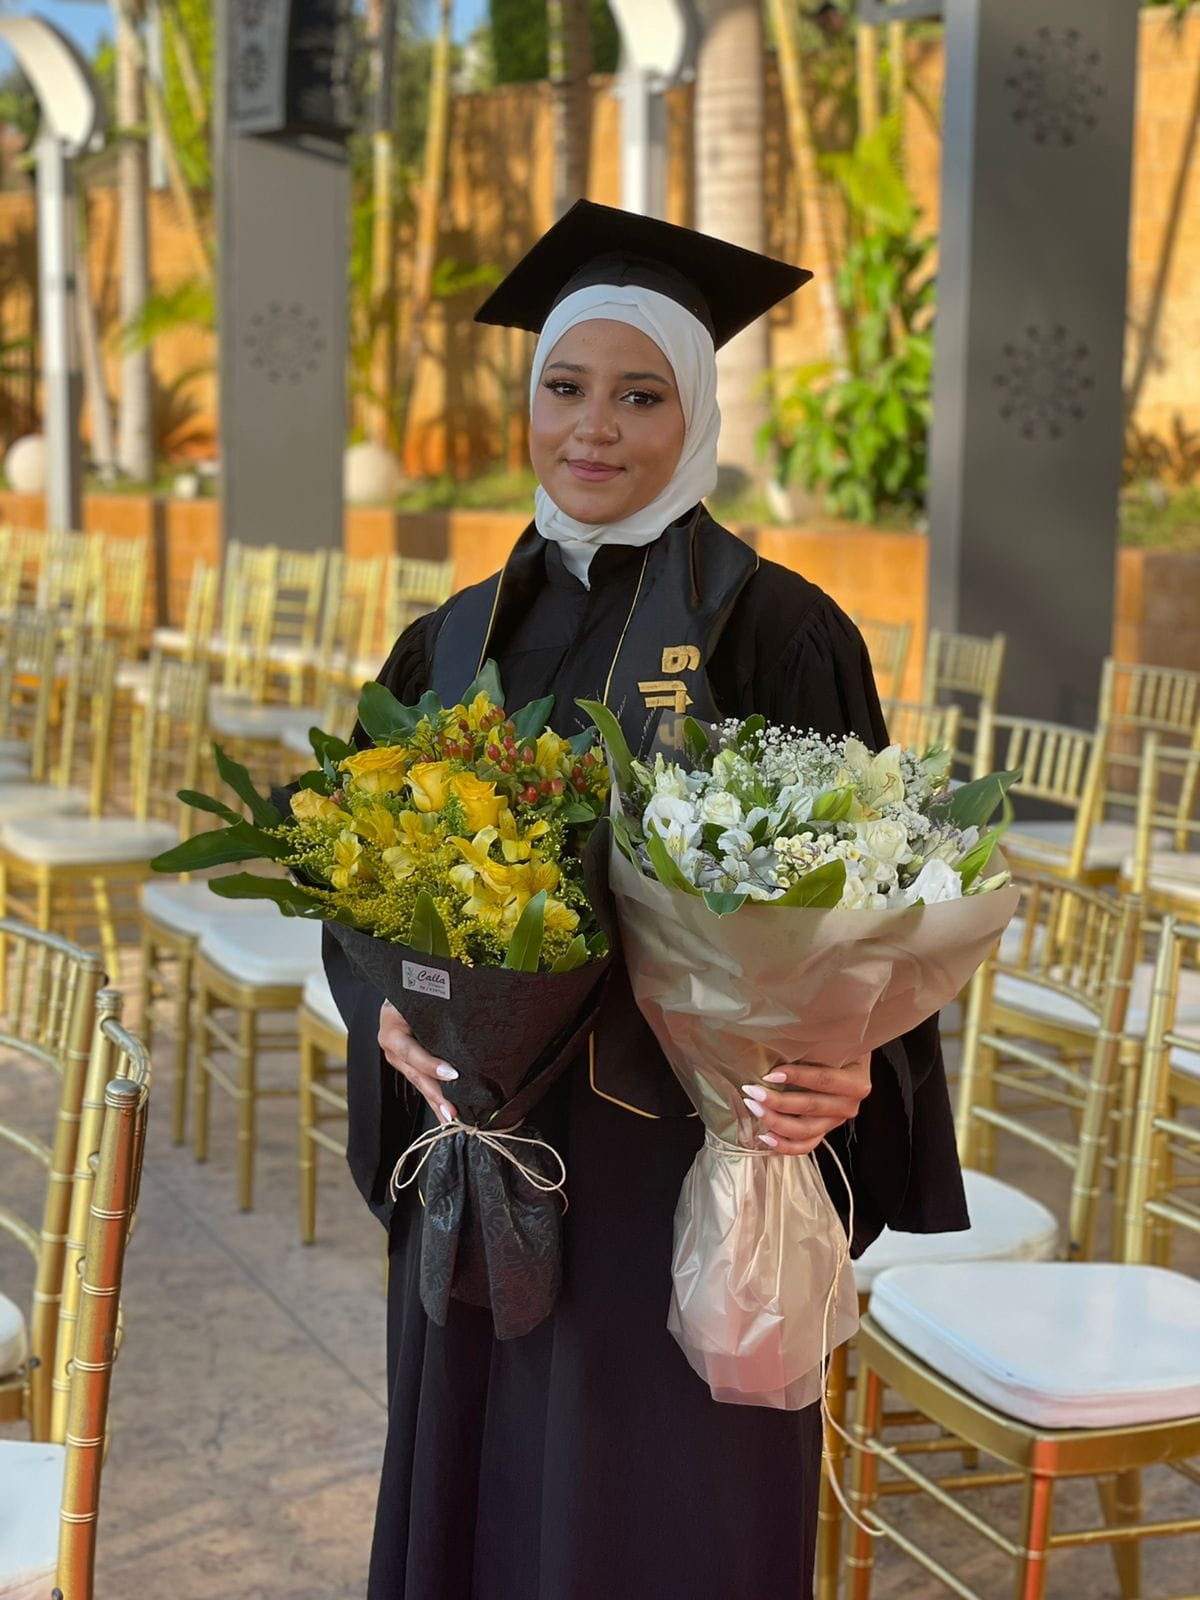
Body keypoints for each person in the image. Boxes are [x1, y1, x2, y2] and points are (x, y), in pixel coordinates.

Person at [324, 200, 969, 1600]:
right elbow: (362, 882)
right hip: (485, 1149)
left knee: (659, 1507)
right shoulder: (451, 638)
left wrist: (848, 1062)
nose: (594, 429)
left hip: (679, 1160)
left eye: (640, 395)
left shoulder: (775, 630)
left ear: (698, 413)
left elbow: (870, 893)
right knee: (484, 1486)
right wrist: (389, 1011)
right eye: (565, 388)